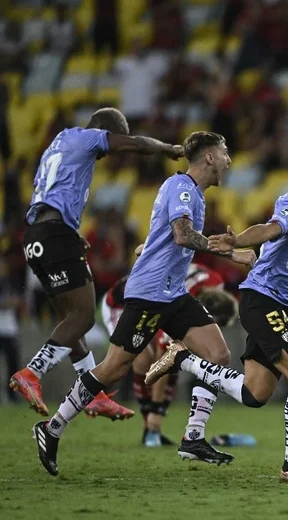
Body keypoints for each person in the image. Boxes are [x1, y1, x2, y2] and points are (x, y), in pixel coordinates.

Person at [32, 131, 256, 476]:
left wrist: (213, 247)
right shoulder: (181, 187)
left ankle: (193, 436)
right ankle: (52, 428)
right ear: (209, 157)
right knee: (112, 369)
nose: (229, 159)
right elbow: (182, 235)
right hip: (150, 293)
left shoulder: (192, 193)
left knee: (217, 353)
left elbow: (169, 238)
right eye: (225, 153)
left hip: (172, 292)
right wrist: (228, 251)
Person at [145, 148, 288, 484]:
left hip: (279, 305)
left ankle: (184, 358)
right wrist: (237, 240)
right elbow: (270, 229)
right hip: (262, 302)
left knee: (254, 394)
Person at [12, 107, 183, 419]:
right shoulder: (89, 137)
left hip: (37, 236)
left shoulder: (58, 144)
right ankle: (31, 373)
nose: (104, 155)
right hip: (55, 235)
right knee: (83, 316)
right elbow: (135, 144)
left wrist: (69, 234)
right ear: (104, 129)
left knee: (69, 322)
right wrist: (168, 149)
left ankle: (93, 394)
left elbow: (49, 197)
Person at [101, 261, 236, 447]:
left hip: (150, 299)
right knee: (141, 358)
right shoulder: (183, 299)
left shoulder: (214, 283)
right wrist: (157, 409)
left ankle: (152, 426)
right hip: (121, 303)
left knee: (177, 354)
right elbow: (164, 356)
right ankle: (149, 422)